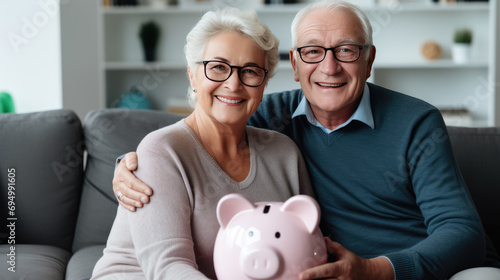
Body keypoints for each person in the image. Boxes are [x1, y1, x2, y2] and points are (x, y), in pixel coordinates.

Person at [113, 1, 500, 279]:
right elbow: (203, 128)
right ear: (295, 66)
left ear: (368, 60)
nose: (329, 67)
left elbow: (463, 233)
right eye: (313, 52)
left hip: (408, 271)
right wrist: (132, 164)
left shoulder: (417, 122)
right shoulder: (268, 115)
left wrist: (377, 271)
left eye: (346, 50)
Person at [91, 7, 315, 279]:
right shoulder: (163, 151)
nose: (233, 84)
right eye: (218, 67)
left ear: (264, 83)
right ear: (192, 76)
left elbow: (307, 245)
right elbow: (167, 267)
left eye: (250, 71)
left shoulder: (284, 153)